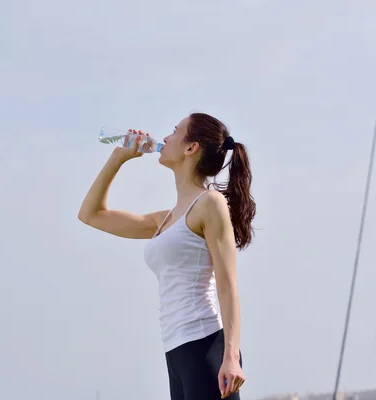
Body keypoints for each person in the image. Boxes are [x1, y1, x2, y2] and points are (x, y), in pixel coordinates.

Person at [78, 112, 256, 400]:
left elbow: (227, 284)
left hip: (205, 343)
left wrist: (231, 356)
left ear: (190, 147)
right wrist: (118, 158)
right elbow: (90, 215)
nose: (164, 138)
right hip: (176, 349)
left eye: (174, 131)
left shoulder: (209, 203)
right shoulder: (166, 220)